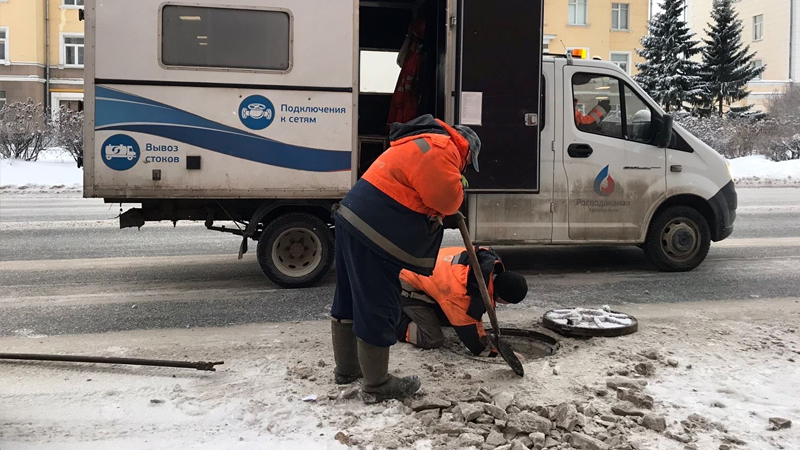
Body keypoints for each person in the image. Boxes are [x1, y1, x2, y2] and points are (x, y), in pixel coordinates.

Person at [330, 114, 481, 403]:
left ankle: (348, 370)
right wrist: (459, 186)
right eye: (468, 165)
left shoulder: (419, 141)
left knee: (350, 296)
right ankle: (377, 384)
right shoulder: (442, 148)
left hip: (352, 218)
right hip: (375, 231)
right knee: (378, 301)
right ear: (468, 150)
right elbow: (446, 200)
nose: (465, 169)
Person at [395, 246, 528, 356]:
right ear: (501, 296)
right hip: (405, 285)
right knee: (432, 339)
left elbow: (474, 314)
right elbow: (475, 341)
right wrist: (498, 353)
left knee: (450, 319)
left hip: (426, 277)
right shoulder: (461, 294)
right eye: (508, 302)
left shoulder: (486, 264)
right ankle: (392, 322)